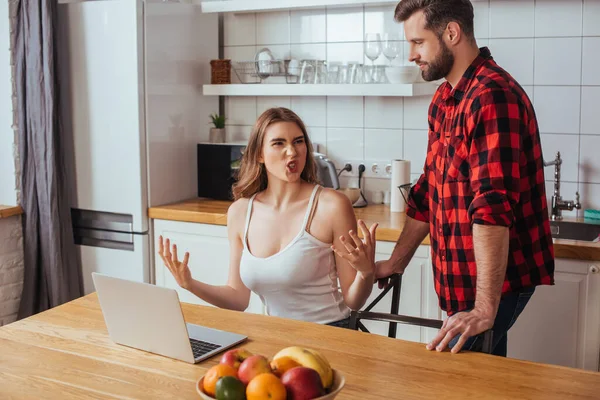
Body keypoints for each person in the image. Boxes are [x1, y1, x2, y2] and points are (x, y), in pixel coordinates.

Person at [376, 0, 555, 356]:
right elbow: (428, 190)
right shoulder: (445, 99)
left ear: (451, 33)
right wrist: (396, 263)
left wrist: (484, 308)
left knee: (459, 379)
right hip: (461, 284)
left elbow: (492, 206)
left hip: (495, 286)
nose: (411, 55)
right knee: (480, 383)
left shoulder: (492, 97)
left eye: (418, 42)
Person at [158, 107, 378, 329]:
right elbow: (237, 298)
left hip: (331, 331)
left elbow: (353, 300)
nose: (292, 151)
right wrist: (190, 284)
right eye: (279, 143)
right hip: (276, 336)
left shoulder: (332, 205)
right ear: (259, 155)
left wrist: (365, 272)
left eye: (298, 142)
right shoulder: (240, 212)